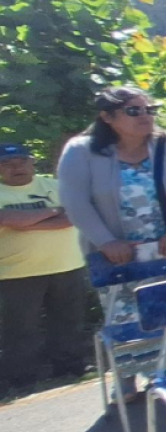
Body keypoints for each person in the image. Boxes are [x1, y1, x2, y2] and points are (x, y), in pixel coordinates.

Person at [58, 87, 166, 400]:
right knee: (123, 315)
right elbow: (75, 202)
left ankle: (160, 370)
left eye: (149, 109)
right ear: (107, 117)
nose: (145, 116)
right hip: (116, 255)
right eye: (134, 111)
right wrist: (106, 241)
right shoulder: (81, 151)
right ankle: (125, 379)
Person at [0, 144, 94, 395]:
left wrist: (25, 222)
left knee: (69, 321)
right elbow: (5, 219)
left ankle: (71, 368)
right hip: (16, 273)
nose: (16, 167)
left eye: (21, 161)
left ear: (32, 163)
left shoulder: (56, 186)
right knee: (20, 329)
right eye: (7, 163)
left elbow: (76, 216)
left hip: (67, 265)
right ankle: (21, 380)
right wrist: (55, 211)